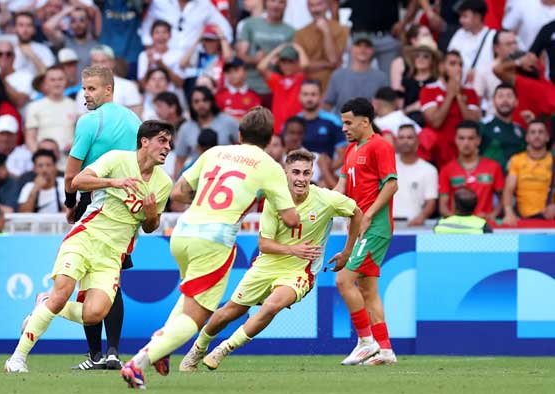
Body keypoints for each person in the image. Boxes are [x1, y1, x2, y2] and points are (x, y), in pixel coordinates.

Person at [120, 107, 300, 389]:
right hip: (215, 239)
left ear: (240, 134)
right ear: (269, 139)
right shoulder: (269, 166)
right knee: (197, 316)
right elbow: (290, 219)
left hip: (183, 230)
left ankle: (162, 347)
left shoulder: (215, 152)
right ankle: (138, 363)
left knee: (191, 294)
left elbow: (179, 193)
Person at [4, 120, 174, 374]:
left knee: (94, 314)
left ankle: (44, 304)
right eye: (162, 140)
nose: (168, 147)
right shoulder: (117, 159)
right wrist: (113, 183)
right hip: (85, 237)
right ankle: (17, 359)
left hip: (113, 254)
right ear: (144, 141)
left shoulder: (164, 183)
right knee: (63, 293)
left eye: (170, 142)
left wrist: (151, 215)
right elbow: (78, 181)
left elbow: (150, 227)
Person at [179, 149, 363, 371]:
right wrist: (293, 249)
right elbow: (264, 244)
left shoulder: (326, 199)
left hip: (299, 272)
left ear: (312, 173)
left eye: (306, 173)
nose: (301, 179)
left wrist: (347, 252)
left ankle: (224, 349)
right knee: (228, 312)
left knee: (271, 306)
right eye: (296, 172)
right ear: (286, 172)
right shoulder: (276, 201)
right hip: (267, 265)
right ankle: (198, 348)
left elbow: (357, 213)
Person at [64, 65, 142, 371]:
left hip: (95, 203)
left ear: (109, 90)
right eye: (84, 89)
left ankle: (95, 354)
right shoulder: (134, 121)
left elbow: (72, 176)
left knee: (89, 276)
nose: (86, 94)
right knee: (112, 279)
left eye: (92, 89)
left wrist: (71, 204)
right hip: (127, 210)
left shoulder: (89, 122)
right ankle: (112, 352)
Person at [333, 97, 399, 366]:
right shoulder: (351, 151)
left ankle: (365, 341)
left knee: (344, 281)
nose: (344, 128)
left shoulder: (380, 146)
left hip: (375, 227)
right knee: (368, 289)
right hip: (361, 227)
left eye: (348, 123)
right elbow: (341, 189)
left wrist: (369, 215)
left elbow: (392, 184)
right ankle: (385, 350)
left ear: (365, 121)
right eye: (342, 123)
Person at [419, 50, 481, 168]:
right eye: (453, 64)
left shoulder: (470, 92)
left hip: (463, 152)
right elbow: (435, 122)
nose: (458, 68)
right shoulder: (428, 90)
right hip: (437, 155)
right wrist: (450, 95)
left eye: (460, 65)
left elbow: (473, 123)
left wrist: (458, 96)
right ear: (442, 67)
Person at [438, 121, 504, 219]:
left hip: (484, 226)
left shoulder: (493, 167)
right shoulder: (446, 169)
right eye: (462, 138)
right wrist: (455, 219)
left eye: (471, 138)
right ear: (455, 140)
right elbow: (443, 206)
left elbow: (504, 198)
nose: (466, 143)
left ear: (478, 140)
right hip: (458, 229)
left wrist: (492, 216)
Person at [236, 0, 294, 105]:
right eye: (272, 1)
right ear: (265, 3)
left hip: (274, 88)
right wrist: (255, 60)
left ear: (286, 5)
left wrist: (278, 61)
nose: (276, 5)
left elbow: (290, 67)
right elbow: (240, 55)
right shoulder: (250, 24)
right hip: (249, 86)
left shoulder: (290, 31)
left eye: (280, 2)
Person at [172, 86, 239, 178]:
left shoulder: (228, 122)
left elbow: (245, 144)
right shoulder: (185, 128)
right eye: (196, 101)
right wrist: (176, 183)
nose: (201, 104)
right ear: (191, 104)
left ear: (211, 101)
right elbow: (180, 160)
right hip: (197, 178)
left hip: (227, 174)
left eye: (205, 100)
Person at [502, 120, 555, 226]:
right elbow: (509, 189)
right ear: (527, 137)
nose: (537, 135)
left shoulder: (553, 161)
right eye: (533, 132)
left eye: (541, 132)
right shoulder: (516, 160)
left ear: (547, 137)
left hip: (550, 221)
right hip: (524, 221)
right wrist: (508, 212)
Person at [323, 37, 389, 115]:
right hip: (341, 125)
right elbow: (327, 104)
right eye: (358, 45)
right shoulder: (338, 75)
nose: (362, 49)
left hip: (369, 125)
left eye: (367, 46)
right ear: (351, 49)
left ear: (373, 50)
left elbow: (386, 107)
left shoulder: (381, 77)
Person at [294, 0, 347, 94]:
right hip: (309, 90)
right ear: (307, 7)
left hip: (334, 88)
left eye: (319, 4)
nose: (316, 9)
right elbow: (302, 66)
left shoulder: (341, 30)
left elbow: (334, 60)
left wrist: (326, 32)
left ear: (327, 5)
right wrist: (328, 64)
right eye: (312, 5)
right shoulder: (300, 33)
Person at [257, 43, 309, 134]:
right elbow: (261, 67)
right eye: (284, 62)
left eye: (290, 62)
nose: (287, 66)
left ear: (297, 63)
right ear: (279, 64)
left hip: (297, 126)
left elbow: (305, 65)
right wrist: (277, 50)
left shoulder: (300, 78)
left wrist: (299, 48)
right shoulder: (276, 80)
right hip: (278, 126)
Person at [24, 65, 77, 153]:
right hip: (45, 161)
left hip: (69, 159)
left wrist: (74, 146)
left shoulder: (75, 105)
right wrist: (40, 157)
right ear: (45, 83)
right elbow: (30, 138)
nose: (57, 83)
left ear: (66, 82)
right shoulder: (34, 107)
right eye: (52, 80)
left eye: (60, 79)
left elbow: (81, 135)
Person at [393, 124, 438, 226]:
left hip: (413, 225)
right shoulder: (386, 163)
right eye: (401, 137)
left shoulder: (429, 170)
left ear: (417, 141)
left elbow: (431, 202)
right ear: (396, 141)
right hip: (385, 224)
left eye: (409, 137)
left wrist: (421, 217)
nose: (405, 141)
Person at [297, 80, 345, 172]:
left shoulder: (333, 121)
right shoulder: (293, 123)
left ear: (321, 97)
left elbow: (342, 156)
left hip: (325, 176)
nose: (309, 98)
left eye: (313, 94)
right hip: (299, 175)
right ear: (299, 97)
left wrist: (323, 173)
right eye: (305, 94)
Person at [479, 83, 525, 173]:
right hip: (489, 181)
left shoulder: (521, 131)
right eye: (500, 96)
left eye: (509, 96)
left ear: (516, 102)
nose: (505, 100)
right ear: (493, 101)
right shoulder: (483, 127)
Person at [447, 0, 496, 83]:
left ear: (477, 17)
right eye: (460, 16)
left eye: (465, 16)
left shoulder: (493, 36)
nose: (460, 20)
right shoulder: (459, 34)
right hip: (461, 87)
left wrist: (479, 74)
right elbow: (450, 58)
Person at [473, 29, 519, 116]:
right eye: (508, 44)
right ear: (496, 48)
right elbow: (477, 101)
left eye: (515, 43)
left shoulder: (523, 68)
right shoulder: (484, 69)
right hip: (494, 120)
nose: (513, 47)